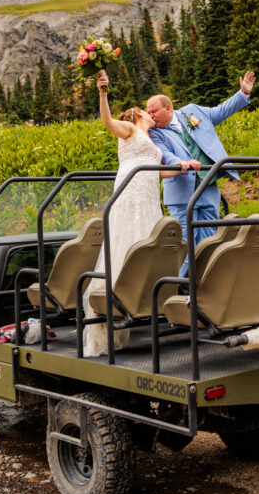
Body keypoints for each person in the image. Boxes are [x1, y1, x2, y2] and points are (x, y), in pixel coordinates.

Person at [82, 72, 198, 356]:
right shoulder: (130, 130)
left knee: (148, 246)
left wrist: (183, 165)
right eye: (146, 111)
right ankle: (114, 306)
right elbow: (107, 121)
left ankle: (143, 303)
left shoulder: (152, 140)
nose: (150, 114)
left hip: (149, 200)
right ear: (136, 115)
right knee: (125, 245)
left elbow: (162, 172)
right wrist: (102, 92)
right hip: (131, 196)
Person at [146, 71, 256, 274]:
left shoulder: (191, 111)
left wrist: (242, 94)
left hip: (208, 186)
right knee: (184, 243)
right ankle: (179, 286)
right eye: (148, 112)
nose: (150, 116)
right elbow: (165, 155)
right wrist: (181, 162)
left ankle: (205, 284)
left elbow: (220, 111)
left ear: (168, 108)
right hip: (181, 193)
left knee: (208, 239)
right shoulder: (154, 132)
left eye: (153, 111)